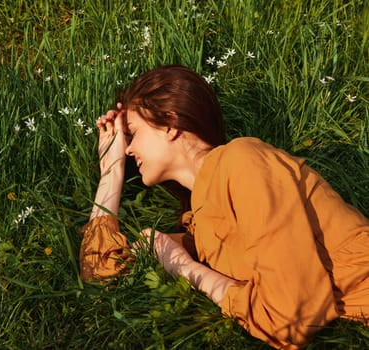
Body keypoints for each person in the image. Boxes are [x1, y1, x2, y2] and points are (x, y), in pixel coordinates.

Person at [78, 65, 369, 349]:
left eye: (133, 133)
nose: (128, 149)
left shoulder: (244, 160)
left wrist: (188, 270)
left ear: (169, 123)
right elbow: (100, 272)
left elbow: (293, 317)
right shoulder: (201, 224)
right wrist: (112, 169)